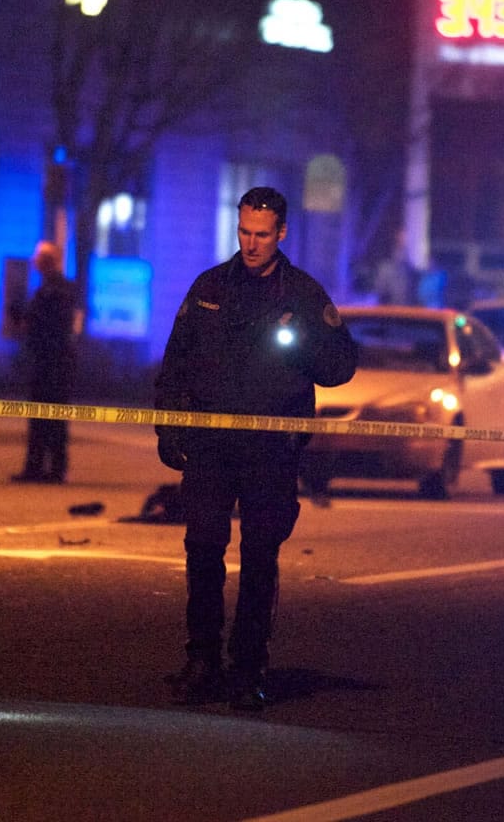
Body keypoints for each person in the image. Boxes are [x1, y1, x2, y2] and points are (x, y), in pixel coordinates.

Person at [155, 186, 357, 710]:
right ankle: (202, 661)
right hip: (210, 445)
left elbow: (340, 367)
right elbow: (175, 363)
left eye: (261, 234)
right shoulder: (209, 287)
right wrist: (169, 429)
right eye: (244, 231)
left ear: (281, 233)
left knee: (260, 557)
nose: (250, 243)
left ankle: (247, 669)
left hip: (269, 448)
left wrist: (305, 342)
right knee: (202, 550)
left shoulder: (303, 296)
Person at [10, 240, 80, 484]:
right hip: (46, 363)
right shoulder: (48, 289)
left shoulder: (57, 290)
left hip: (53, 365)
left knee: (53, 418)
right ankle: (37, 467)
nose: (35, 263)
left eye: (39, 258)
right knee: (40, 417)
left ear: (47, 261)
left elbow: (49, 326)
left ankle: (53, 469)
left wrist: (28, 321)